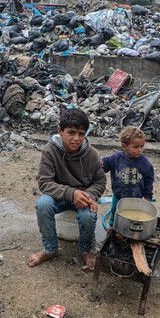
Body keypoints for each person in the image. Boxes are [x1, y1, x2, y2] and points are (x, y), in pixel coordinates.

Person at [28, 109, 106, 269]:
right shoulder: (50, 151)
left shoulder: (92, 154)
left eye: (81, 134)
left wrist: (89, 196)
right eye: (71, 132)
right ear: (60, 131)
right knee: (43, 204)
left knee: (88, 215)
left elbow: (100, 182)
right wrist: (71, 193)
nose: (76, 139)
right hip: (58, 197)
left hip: (83, 197)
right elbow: (44, 182)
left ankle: (85, 250)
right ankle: (50, 249)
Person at [101, 126, 154, 227]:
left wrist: (148, 194)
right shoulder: (116, 158)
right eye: (135, 147)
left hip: (136, 197)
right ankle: (113, 226)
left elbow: (149, 179)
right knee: (115, 212)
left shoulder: (144, 163)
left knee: (134, 216)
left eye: (142, 146)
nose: (140, 150)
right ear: (124, 146)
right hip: (118, 195)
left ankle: (131, 229)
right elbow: (105, 164)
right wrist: (101, 164)